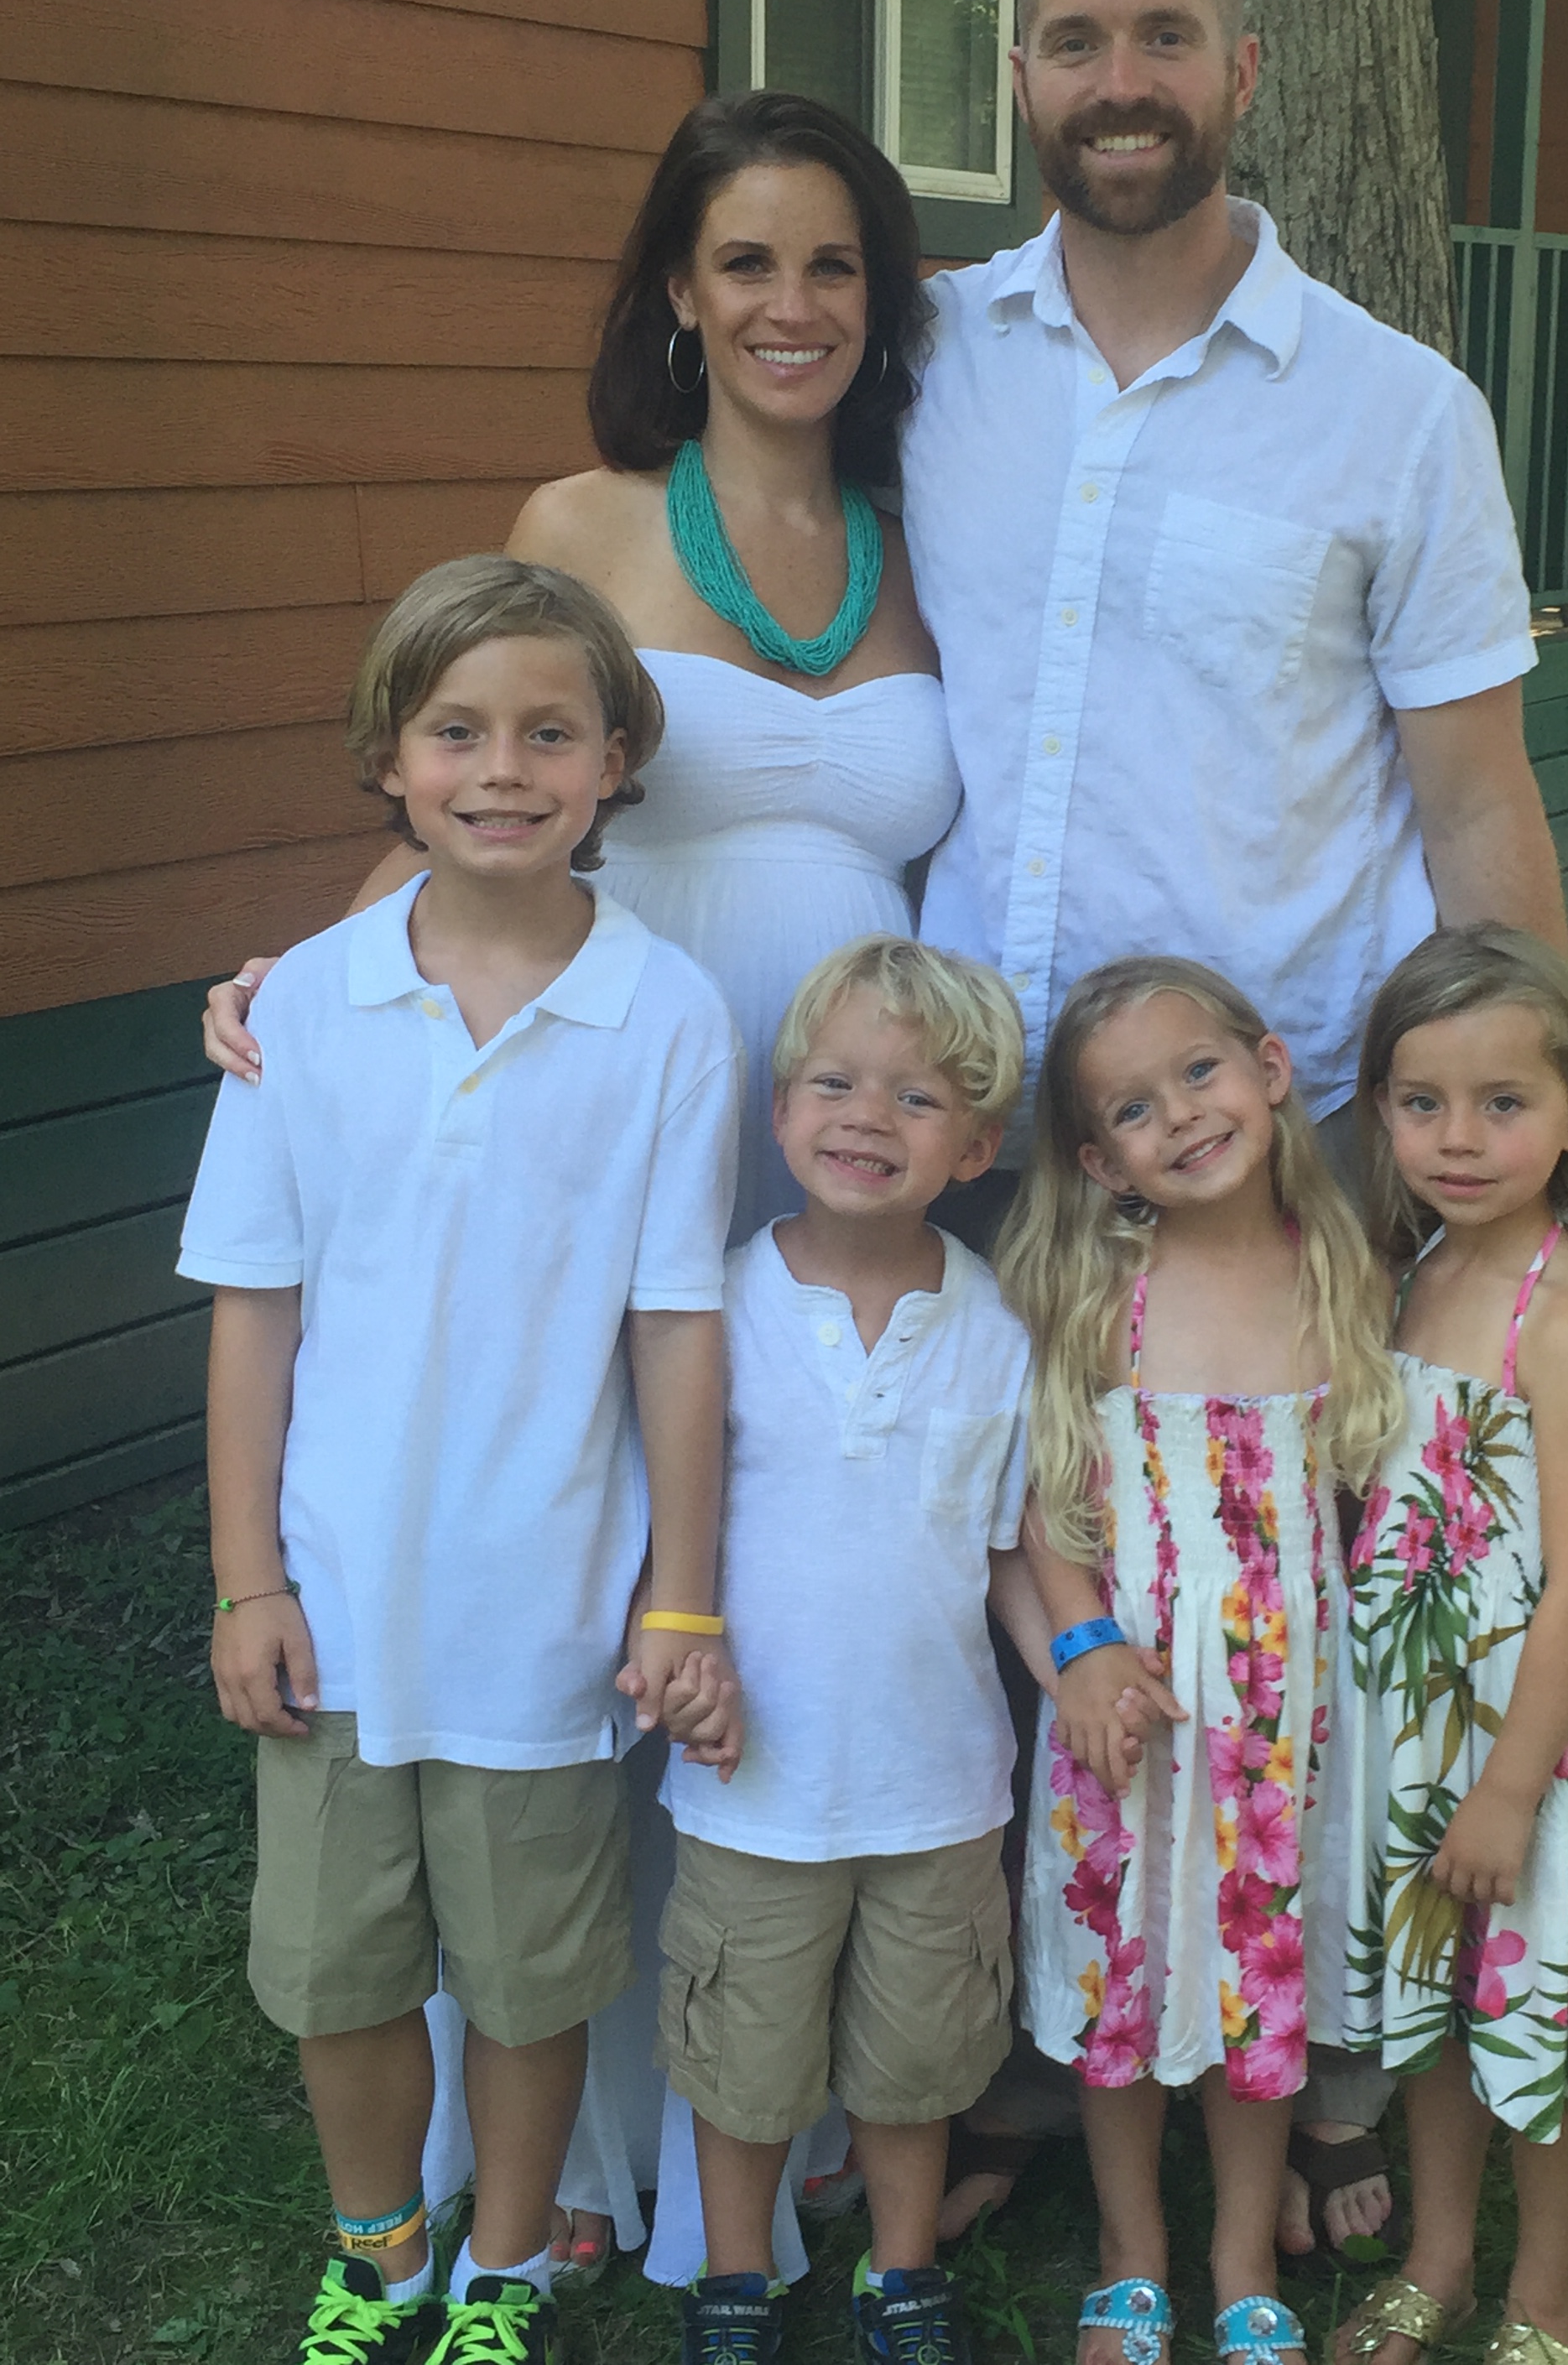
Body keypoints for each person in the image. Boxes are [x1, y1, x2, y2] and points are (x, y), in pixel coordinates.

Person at [199, 90, 958, 2274]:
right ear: (678, 297)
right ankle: (559, 2170)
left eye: (834, 263)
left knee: (754, 1577)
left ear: (879, 299)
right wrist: (301, 982)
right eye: (747, 263)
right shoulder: (586, 514)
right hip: (586, 1088)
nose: (793, 304)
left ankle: (761, 2098)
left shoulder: (931, 535)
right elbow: (478, 762)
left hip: (830, 1129)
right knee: (535, 1540)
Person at [906, 0, 1565, 2247]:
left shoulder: (1396, 412)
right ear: (1022, 74)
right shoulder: (929, 358)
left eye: (1164, 38)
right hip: (989, 1131)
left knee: (1316, 1601)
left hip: (1281, 1140)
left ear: (1244, 70)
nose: (1121, 84)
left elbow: (1475, 796)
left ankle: (1340, 2054)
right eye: (1077, 41)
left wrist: (1546, 1142)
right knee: (1025, 1574)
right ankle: (1031, 2047)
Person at [180, 556, 742, 2365]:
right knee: (338, 1974)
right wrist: (249, 1581)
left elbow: (676, 1324)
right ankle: (378, 2257)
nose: (504, 770)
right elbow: (256, 1309)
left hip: (544, 1614)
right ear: (390, 757)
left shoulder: (670, 1017)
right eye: (458, 731)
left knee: (526, 1979)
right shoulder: (305, 1006)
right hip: (335, 1606)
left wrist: (680, 1596)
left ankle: (505, 2268)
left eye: (550, 732)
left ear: (615, 761)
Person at [996, 956, 1404, 2365]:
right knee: (1121, 1981)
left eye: (1198, 1073)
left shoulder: (1341, 1275)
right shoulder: (1094, 1293)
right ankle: (1132, 2254)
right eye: (1132, 1108)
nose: (1178, 1115)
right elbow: (1043, 1505)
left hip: (1284, 1724)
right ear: (1098, 1162)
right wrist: (1084, 1651)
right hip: (1129, 1709)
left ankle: (1239, 2259)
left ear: (1271, 1071)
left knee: (1258, 1989)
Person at [655, 936, 1051, 2365]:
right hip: (752, 1784)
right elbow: (660, 1533)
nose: (868, 1118)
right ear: (779, 1114)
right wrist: (673, 1664)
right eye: (833, 1084)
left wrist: (1075, 1664)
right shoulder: (706, 1308)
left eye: (919, 1098)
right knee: (742, 2053)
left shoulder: (1001, 1328)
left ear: (977, 1148)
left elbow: (1004, 1549)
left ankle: (902, 2272)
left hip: (940, 1785)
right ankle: (735, 2277)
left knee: (917, 2056)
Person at [1326, 927, 1568, 2365]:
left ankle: (1549, 2299)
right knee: (1435, 2006)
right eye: (1423, 1104)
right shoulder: (1412, 1268)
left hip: (1530, 1737)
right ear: (1382, 1110)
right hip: (1414, 1724)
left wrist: (1511, 1790)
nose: (1459, 1139)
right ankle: (1440, 2261)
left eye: (1503, 1104)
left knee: (1547, 2015)